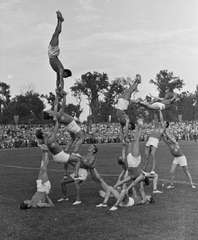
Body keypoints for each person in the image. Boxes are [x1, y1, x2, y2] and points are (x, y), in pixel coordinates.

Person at [43, 91, 85, 157]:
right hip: (71, 124)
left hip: (68, 126)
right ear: (49, 114)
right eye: (48, 111)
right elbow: (63, 105)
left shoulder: (55, 114)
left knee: (73, 138)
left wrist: (57, 94)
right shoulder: (58, 115)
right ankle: (75, 152)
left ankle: (66, 150)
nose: (49, 110)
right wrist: (64, 96)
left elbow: (56, 103)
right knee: (82, 137)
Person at [48, 11, 72, 96]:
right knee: (56, 34)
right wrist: (62, 90)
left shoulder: (58, 71)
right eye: (66, 76)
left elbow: (58, 80)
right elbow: (61, 80)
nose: (65, 77)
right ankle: (60, 21)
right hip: (53, 53)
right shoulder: (61, 69)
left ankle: (59, 20)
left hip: (52, 54)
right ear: (65, 72)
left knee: (55, 34)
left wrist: (57, 89)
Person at [115, 74, 141, 143]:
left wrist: (124, 139)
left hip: (120, 108)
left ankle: (137, 82)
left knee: (129, 91)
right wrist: (125, 138)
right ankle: (137, 82)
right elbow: (125, 129)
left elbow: (121, 130)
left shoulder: (124, 121)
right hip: (121, 107)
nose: (128, 128)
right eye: (130, 127)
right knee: (129, 91)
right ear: (130, 124)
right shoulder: (127, 120)